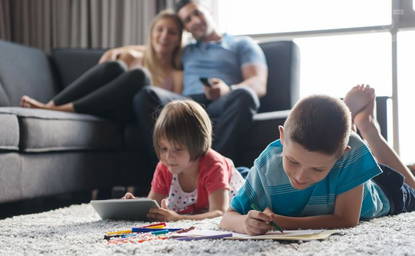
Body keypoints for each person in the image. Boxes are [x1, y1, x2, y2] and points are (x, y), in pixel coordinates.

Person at [220, 84, 415, 235]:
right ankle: (347, 127)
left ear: (341, 156)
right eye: (293, 161)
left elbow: (346, 220)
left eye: (317, 169)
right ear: (282, 137)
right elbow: (228, 217)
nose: (301, 176)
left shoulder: (351, 156)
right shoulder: (267, 163)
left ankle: (368, 127)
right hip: (342, 164)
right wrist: (245, 223)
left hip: (384, 191)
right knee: (348, 144)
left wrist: (282, 221)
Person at [133, 0, 268, 170]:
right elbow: (156, 47)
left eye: (197, 13)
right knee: (146, 95)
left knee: (246, 95)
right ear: (186, 29)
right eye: (188, 20)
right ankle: (166, 173)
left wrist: (228, 89)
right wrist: (118, 51)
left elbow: (258, 83)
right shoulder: (186, 50)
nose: (195, 21)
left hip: (224, 102)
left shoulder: (242, 44)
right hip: (187, 103)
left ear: (209, 12)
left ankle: (214, 171)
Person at [19, 10, 183, 123]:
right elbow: (103, 73)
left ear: (178, 39)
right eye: (159, 30)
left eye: (172, 32)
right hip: (105, 105)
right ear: (151, 33)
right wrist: (121, 50)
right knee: (115, 67)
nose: (164, 36)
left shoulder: (176, 74)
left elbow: (172, 113)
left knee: (140, 76)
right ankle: (51, 105)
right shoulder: (132, 57)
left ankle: (61, 110)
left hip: (134, 115)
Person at [123, 100, 245, 221]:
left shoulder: (214, 166)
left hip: (236, 182)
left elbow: (219, 213)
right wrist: (136, 205)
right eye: (164, 148)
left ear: (197, 144)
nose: (168, 156)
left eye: (177, 149)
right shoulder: (165, 166)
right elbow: (154, 205)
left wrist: (179, 218)